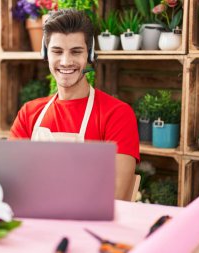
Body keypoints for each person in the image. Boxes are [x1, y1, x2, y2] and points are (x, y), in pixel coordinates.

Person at [10, 9, 140, 201]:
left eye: (76, 51)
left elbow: (115, 198)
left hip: (90, 227)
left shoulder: (117, 114)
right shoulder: (29, 113)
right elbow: (13, 184)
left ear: (90, 54)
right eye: (57, 51)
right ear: (45, 53)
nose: (66, 61)